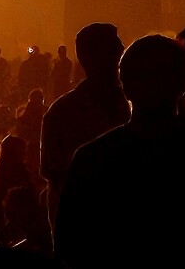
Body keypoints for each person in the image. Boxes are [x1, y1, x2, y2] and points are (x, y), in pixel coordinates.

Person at [54, 35, 185, 268]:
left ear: (125, 87)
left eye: (159, 76)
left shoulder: (92, 159)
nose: (154, 85)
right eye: (148, 77)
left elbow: (68, 248)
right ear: (183, 84)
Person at [39, 23, 128, 228]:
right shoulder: (62, 114)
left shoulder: (134, 103)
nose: (121, 54)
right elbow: (55, 182)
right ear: (90, 57)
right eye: (113, 50)